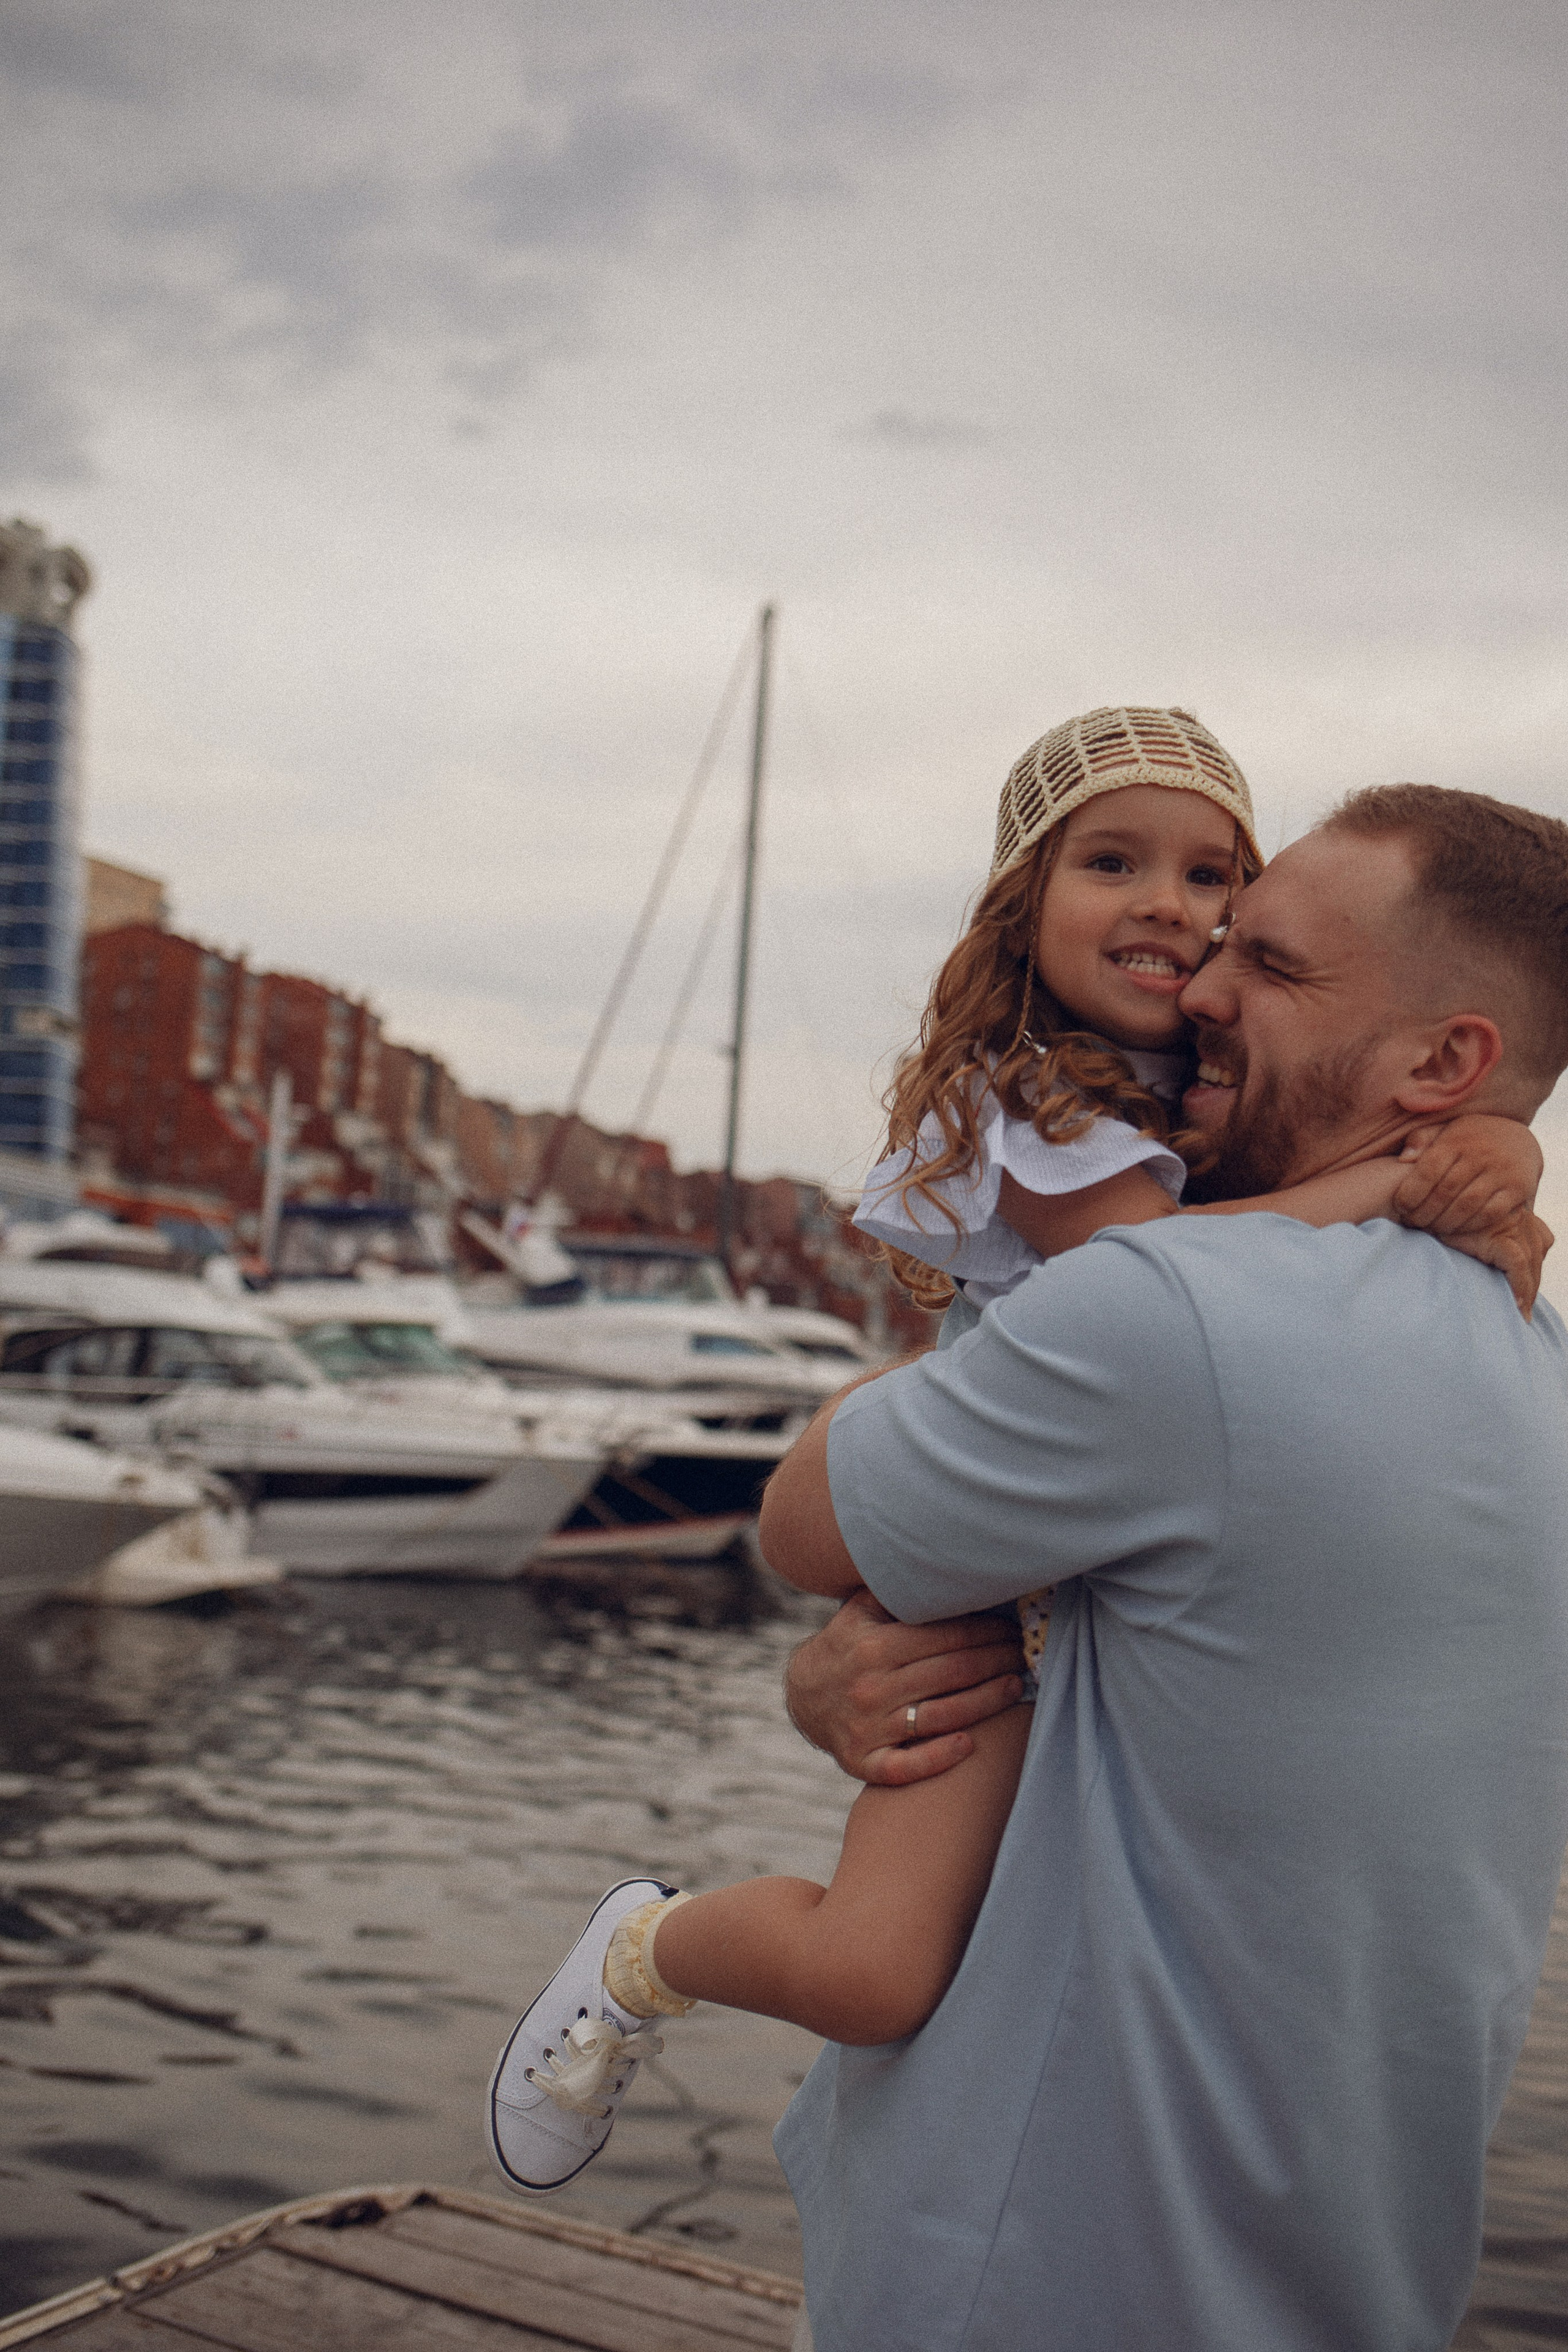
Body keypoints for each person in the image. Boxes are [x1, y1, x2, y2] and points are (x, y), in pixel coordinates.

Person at [484, 718, 1547, 2204]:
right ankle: (641, 1951)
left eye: (1223, 902)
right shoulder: (1043, 1101)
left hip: (1015, 1596)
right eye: (1111, 866)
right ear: (1020, 905)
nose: (1183, 931)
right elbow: (1149, 1282)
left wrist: (1488, 1147)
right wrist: (1411, 1167)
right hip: (990, 1605)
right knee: (873, 1968)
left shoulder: (1191, 1112)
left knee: (880, 1963)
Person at [755, 780, 1568, 2351]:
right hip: (1350, 2279)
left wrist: (832, 1658)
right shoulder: (1539, 1372)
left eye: (1265, 963)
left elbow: (801, 1523)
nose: (1195, 981)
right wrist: (852, 1676)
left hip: (1037, 2272)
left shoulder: (1173, 1315)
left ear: (1441, 1061)